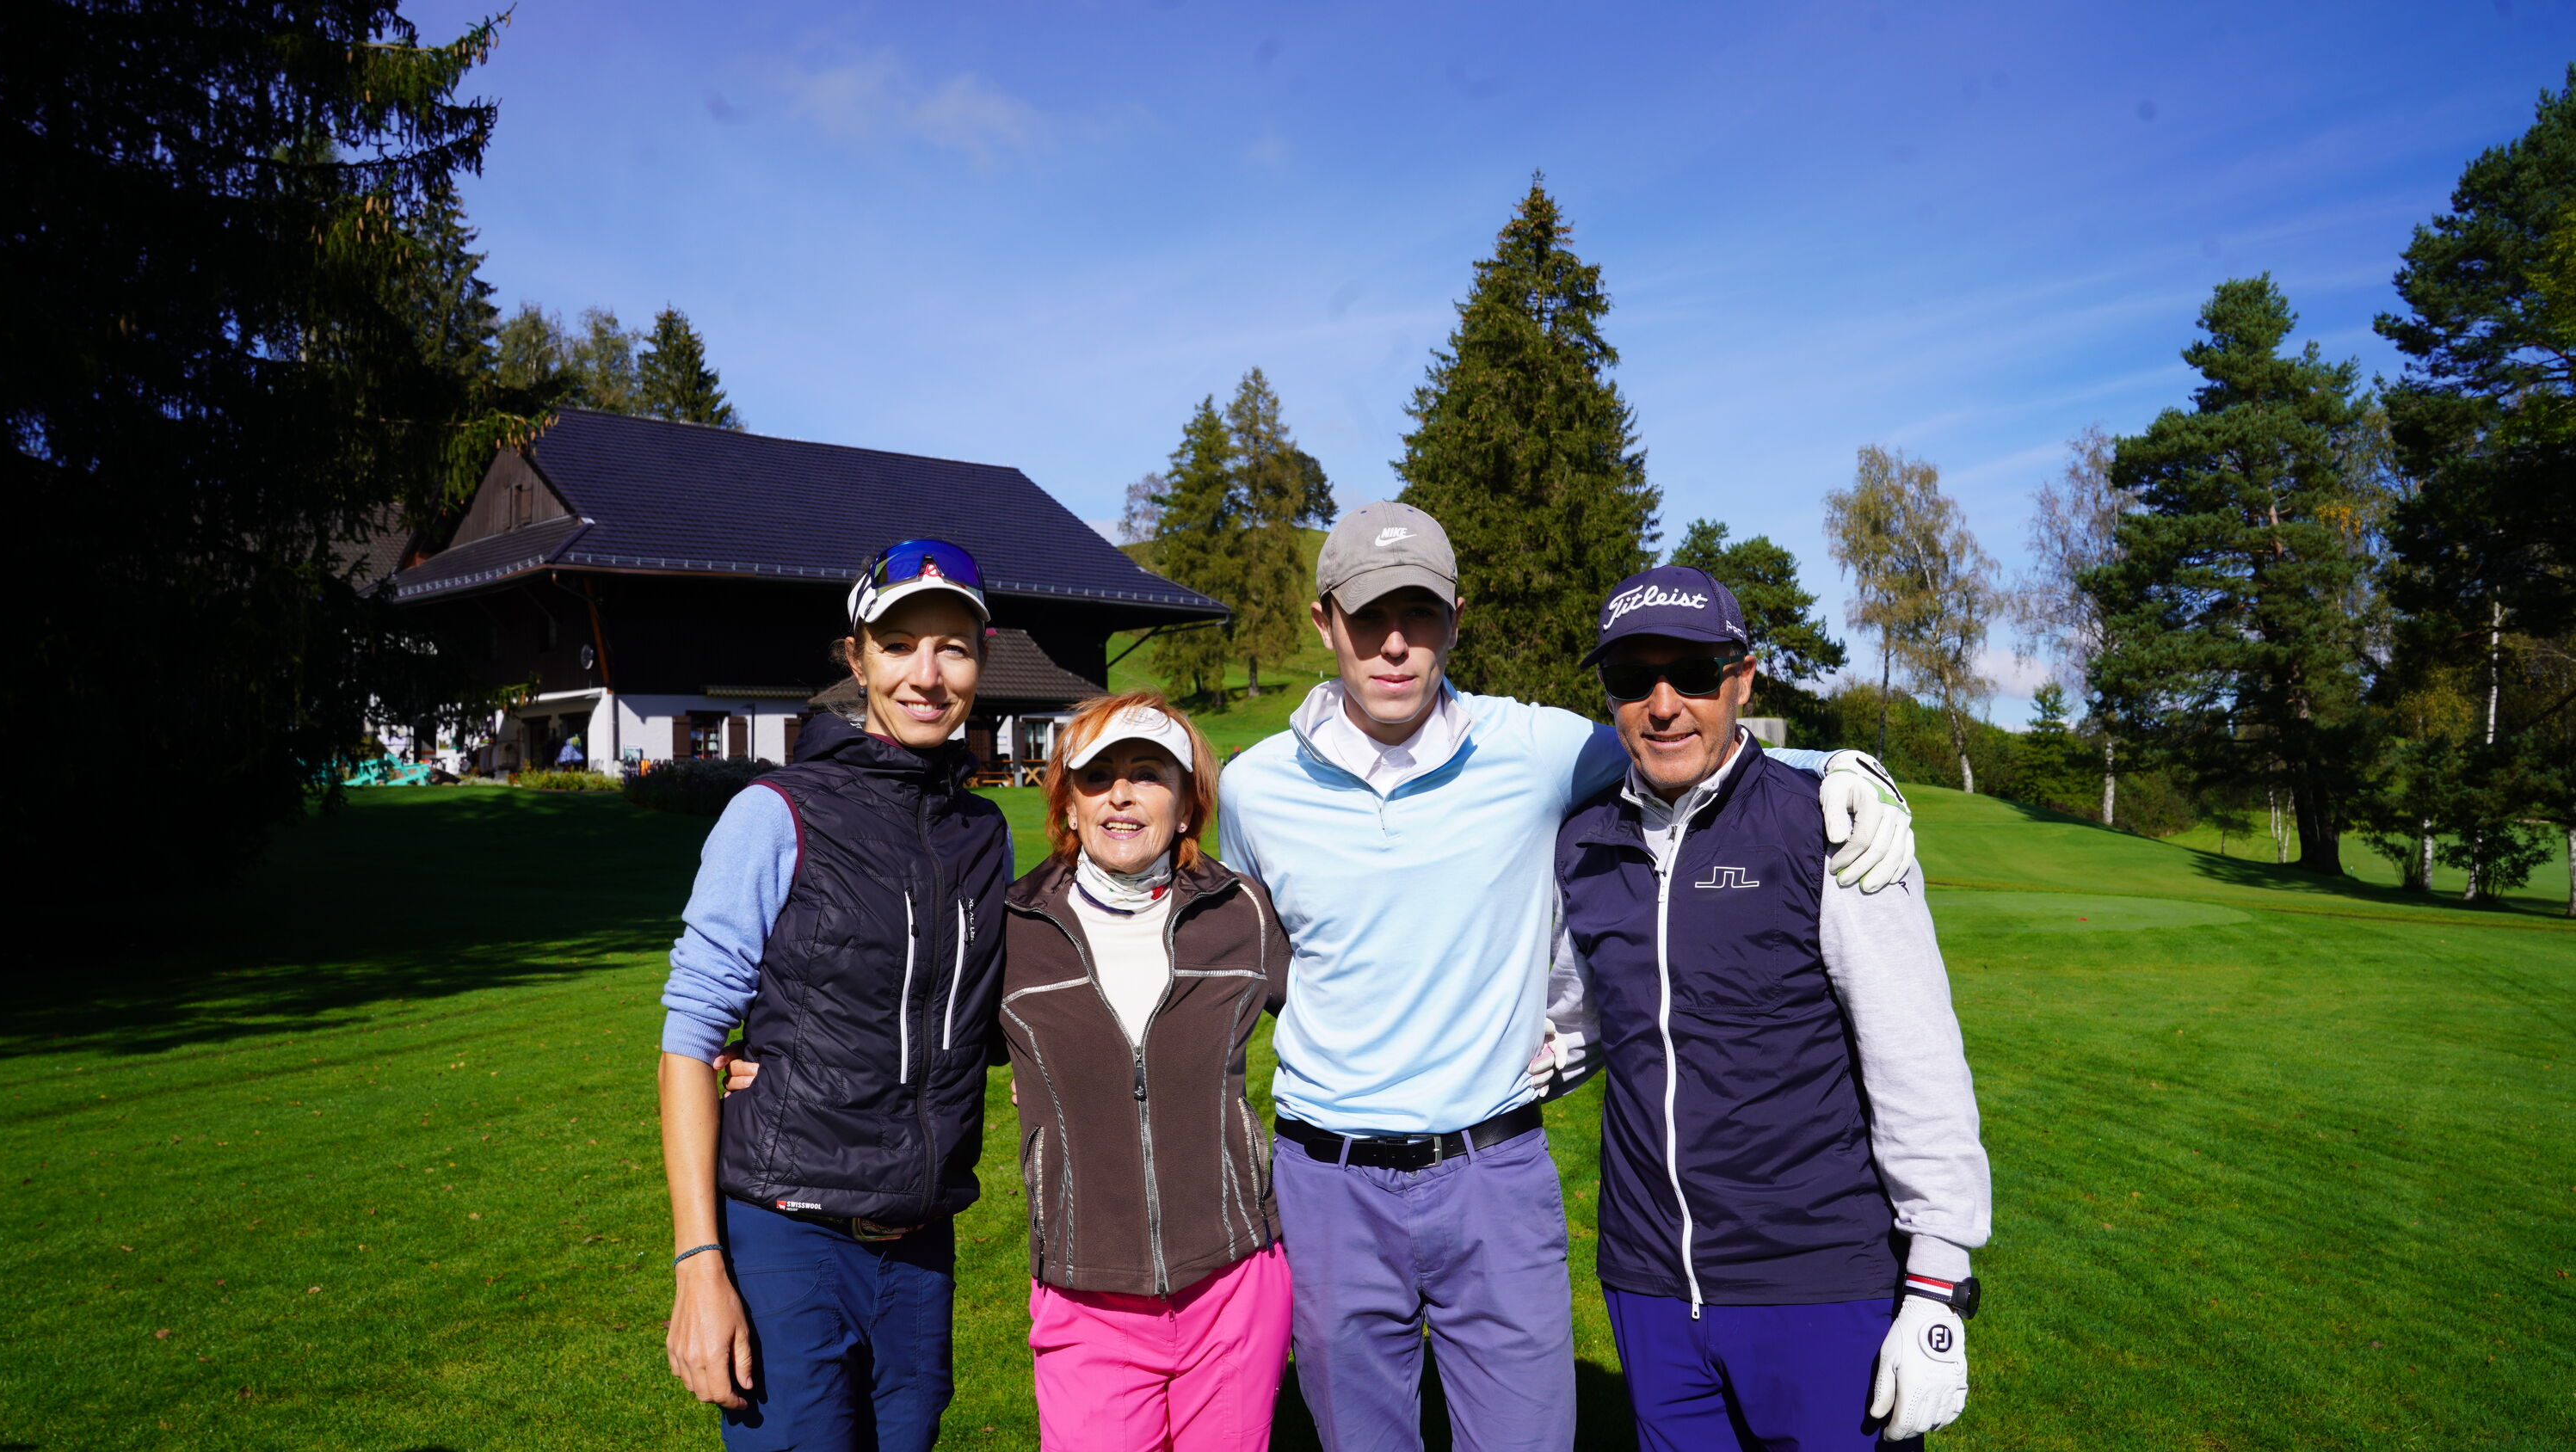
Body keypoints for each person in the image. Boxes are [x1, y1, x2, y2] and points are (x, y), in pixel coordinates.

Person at [1213, 502, 1920, 1452]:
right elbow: (1257, 958)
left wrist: (1839, 764)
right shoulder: (1255, 788)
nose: (1395, 643)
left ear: (1456, 620)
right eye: (1369, 615)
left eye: (1420, 613)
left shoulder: (1535, 748)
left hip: (1491, 1171)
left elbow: (1681, 738)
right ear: (1323, 622)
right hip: (1327, 1180)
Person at [1553, 565, 1990, 1451]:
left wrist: (1937, 1285)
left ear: (1743, 678)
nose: (1663, 705)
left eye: (1693, 674)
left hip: (1819, 1283)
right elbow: (1578, 1021)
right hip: (1649, 1285)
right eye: (1633, 679)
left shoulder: (1829, 828)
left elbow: (1917, 1061)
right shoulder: (1585, 841)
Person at [656, 538, 1013, 1452]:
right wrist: (699, 1265)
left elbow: (995, 1012)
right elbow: (690, 1039)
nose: (927, 675)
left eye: (953, 648)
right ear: (857, 659)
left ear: (982, 661)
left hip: (921, 1244)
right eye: (898, 646)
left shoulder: (984, 833)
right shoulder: (776, 812)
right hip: (789, 1238)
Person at [1001, 691, 1296, 1450]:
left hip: (1233, 1281)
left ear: (1188, 803)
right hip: (1083, 1293)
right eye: (1097, 777)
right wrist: (776, 1065)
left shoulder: (1241, 912)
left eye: (1147, 774)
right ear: (1068, 806)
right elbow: (929, 1049)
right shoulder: (1013, 928)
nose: (1121, 794)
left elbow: (1341, 1019)